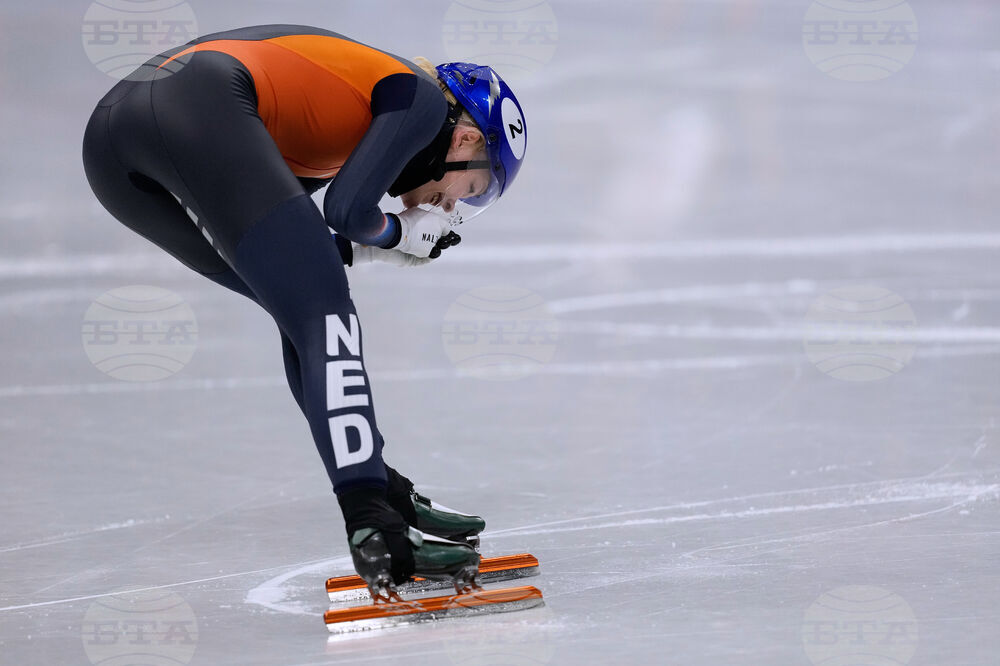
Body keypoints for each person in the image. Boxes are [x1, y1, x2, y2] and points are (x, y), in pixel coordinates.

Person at [81, 25, 527, 597]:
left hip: (116, 146)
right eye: (477, 188)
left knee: (302, 309)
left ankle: (381, 491)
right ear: (466, 139)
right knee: (324, 315)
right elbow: (344, 210)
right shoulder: (416, 98)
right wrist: (396, 235)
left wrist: (378, 242)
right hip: (193, 101)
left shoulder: (336, 132)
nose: (456, 203)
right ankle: (373, 522)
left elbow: (299, 245)